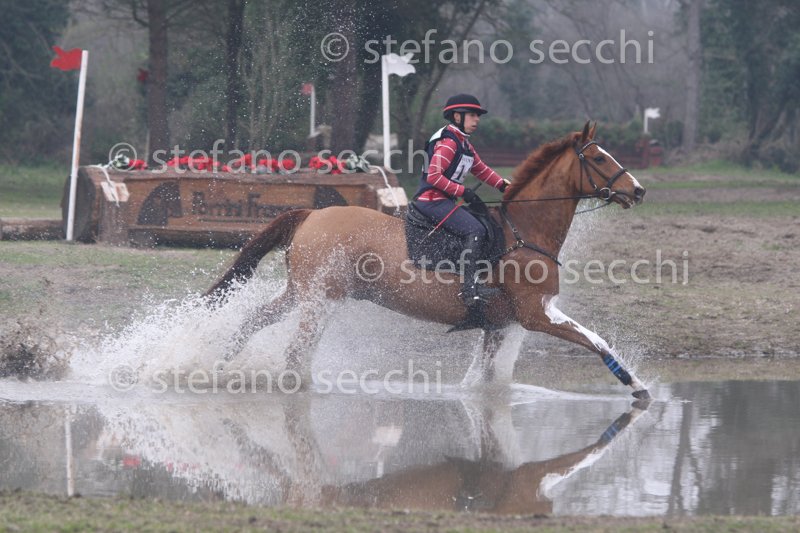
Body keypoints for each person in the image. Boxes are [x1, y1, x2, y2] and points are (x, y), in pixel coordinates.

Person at [412, 94, 510, 325]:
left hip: (444, 201)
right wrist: (462, 191)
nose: (477, 120)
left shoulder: (463, 143)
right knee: (475, 229)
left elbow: (481, 169)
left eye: (478, 116)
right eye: (472, 115)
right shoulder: (449, 143)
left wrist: (503, 185)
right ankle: (468, 289)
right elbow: (434, 176)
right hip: (431, 201)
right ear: (457, 116)